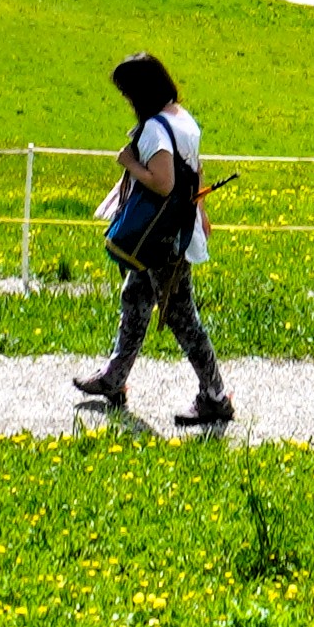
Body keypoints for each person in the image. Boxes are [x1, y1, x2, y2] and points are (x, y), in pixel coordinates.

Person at [72, 51, 232, 429]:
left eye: (128, 93)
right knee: (135, 298)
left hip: (159, 236)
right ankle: (114, 378)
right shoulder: (182, 118)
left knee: (180, 316)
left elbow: (164, 182)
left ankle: (215, 397)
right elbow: (195, 169)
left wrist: (129, 163)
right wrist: (201, 213)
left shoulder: (156, 129)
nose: (127, 100)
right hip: (175, 229)